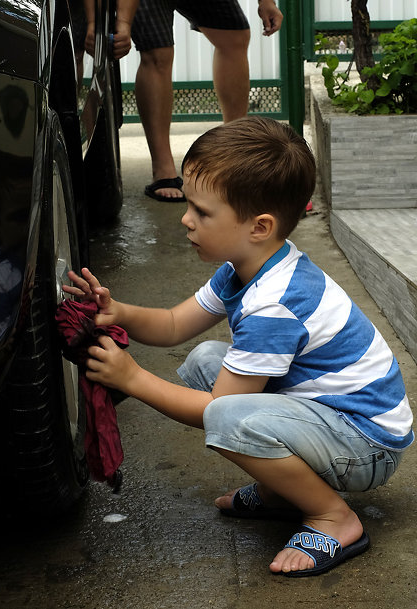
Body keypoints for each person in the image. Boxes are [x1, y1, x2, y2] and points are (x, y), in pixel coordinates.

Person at [64, 117, 414, 577]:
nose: (186, 219)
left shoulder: (275, 304)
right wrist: (119, 312)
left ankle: (334, 517)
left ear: (259, 226)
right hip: (332, 417)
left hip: (366, 442)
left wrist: (133, 378)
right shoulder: (244, 267)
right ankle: (282, 493)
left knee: (228, 416)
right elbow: (173, 324)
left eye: (202, 212)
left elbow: (217, 411)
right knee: (206, 362)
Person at [102, 0, 284, 202]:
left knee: (234, 37)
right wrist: (123, 24)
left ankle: (233, 150)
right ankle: (163, 169)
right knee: (159, 54)